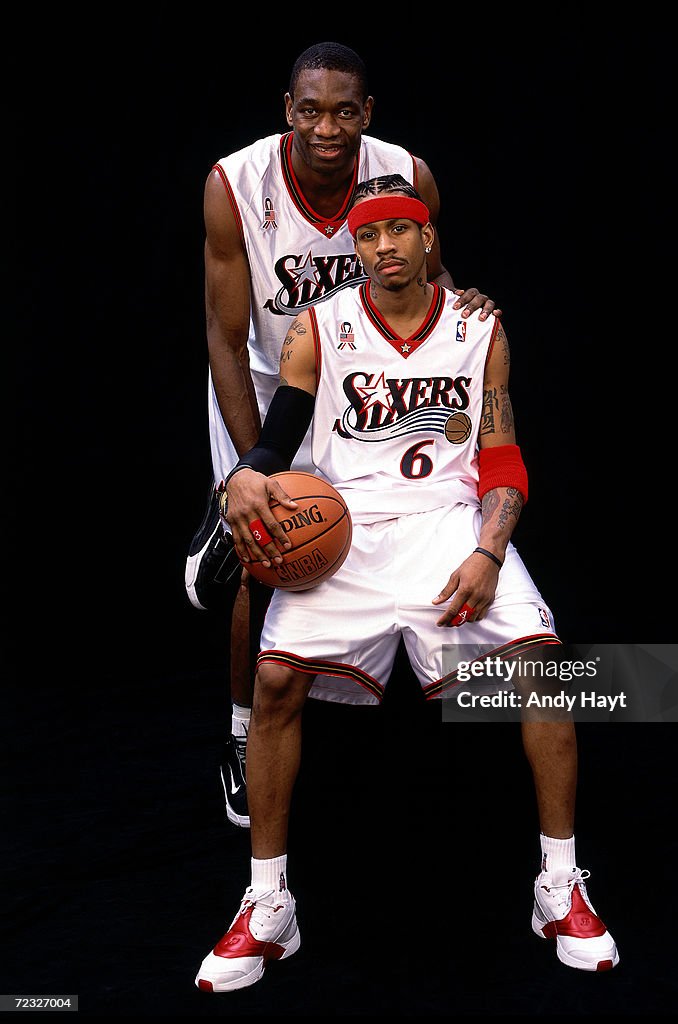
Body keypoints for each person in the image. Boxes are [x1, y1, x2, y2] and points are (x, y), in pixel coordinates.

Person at [193, 176, 619, 992]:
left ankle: (559, 886)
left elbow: (499, 454)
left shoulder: (478, 324)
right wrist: (246, 478)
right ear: (352, 246)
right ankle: (267, 903)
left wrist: (489, 552)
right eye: (366, 234)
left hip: (449, 526)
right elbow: (280, 434)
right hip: (345, 530)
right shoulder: (318, 327)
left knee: (546, 669)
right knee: (275, 678)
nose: (383, 246)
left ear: (429, 239)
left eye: (400, 230)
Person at [183, 42, 500, 829]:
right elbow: (225, 338)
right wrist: (262, 464)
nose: (328, 127)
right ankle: (243, 732)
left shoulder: (404, 170)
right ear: (288, 110)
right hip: (266, 377)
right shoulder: (234, 185)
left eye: (345, 111)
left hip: (363, 377)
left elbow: (434, 274)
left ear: (367, 115)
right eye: (312, 110)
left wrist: (469, 313)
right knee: (265, 558)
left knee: (387, 524)